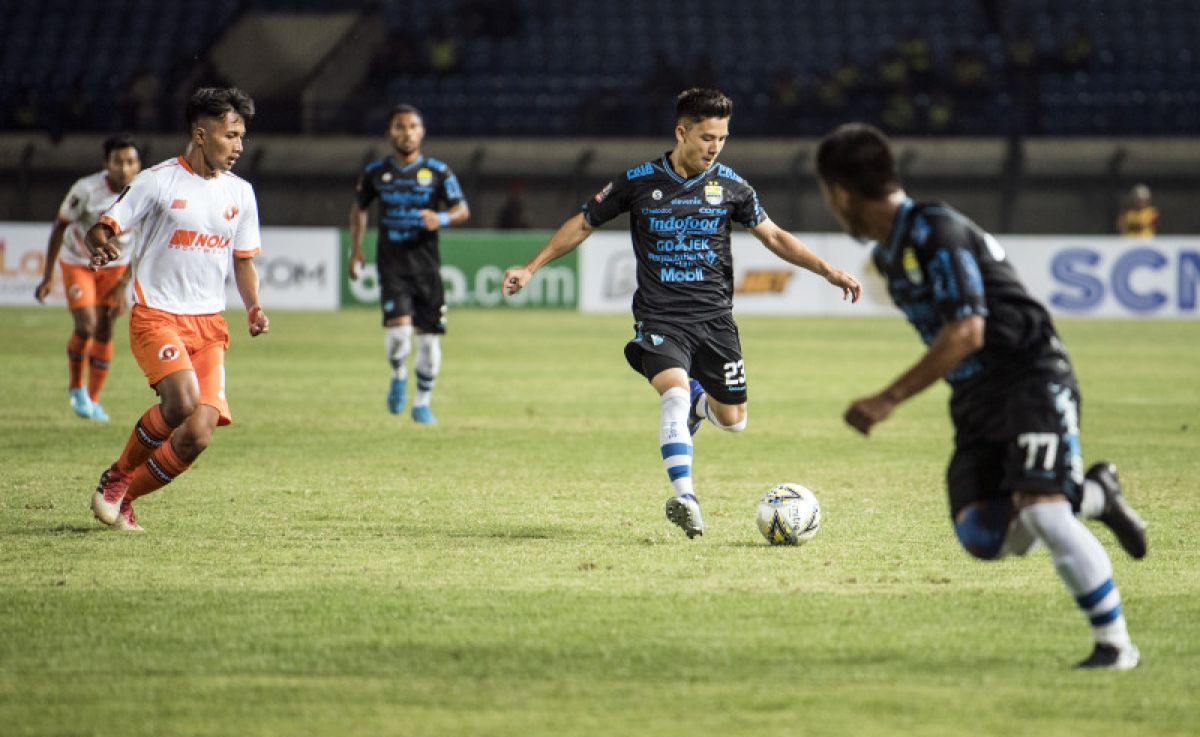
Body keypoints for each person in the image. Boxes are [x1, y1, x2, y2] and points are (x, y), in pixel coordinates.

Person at [816, 123, 1148, 669]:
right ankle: (1093, 495)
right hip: (976, 397)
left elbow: (967, 331)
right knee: (983, 534)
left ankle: (1116, 646)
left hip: (1031, 376)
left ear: (840, 194)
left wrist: (888, 398)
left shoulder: (935, 231)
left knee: (1044, 515)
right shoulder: (892, 256)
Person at [503, 88, 861, 539]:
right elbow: (583, 222)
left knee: (734, 420)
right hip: (660, 318)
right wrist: (531, 267)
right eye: (708, 137)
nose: (715, 147)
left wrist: (829, 272)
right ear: (681, 132)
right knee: (671, 393)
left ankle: (699, 403)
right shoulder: (638, 181)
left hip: (715, 322)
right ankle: (685, 496)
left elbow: (773, 236)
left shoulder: (732, 186)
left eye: (723, 138)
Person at [85, 87, 269, 532]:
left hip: (209, 325)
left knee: (198, 434)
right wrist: (103, 245)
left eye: (242, 137)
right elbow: (102, 227)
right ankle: (117, 476)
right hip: (157, 316)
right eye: (231, 135)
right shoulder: (158, 181)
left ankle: (125, 498)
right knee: (182, 401)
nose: (239, 146)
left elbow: (244, 261)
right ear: (200, 135)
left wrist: (253, 307)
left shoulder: (241, 194)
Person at [349, 104, 469, 424]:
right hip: (392, 265)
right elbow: (359, 208)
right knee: (401, 337)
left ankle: (422, 403)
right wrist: (356, 249)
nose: (407, 133)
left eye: (413, 126)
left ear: (422, 131)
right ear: (390, 132)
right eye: (400, 127)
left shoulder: (439, 172)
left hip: (427, 268)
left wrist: (441, 217)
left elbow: (462, 210)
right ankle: (399, 373)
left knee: (429, 342)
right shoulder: (376, 172)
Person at [34, 135, 142, 421]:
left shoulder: (144, 191)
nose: (124, 168)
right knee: (87, 326)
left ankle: (93, 401)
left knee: (105, 330)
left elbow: (144, 242)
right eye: (118, 161)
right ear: (106, 164)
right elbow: (60, 227)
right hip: (79, 262)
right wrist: (47, 277)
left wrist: (124, 284)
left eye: (130, 161)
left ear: (138, 164)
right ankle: (76, 388)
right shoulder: (85, 190)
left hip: (116, 268)